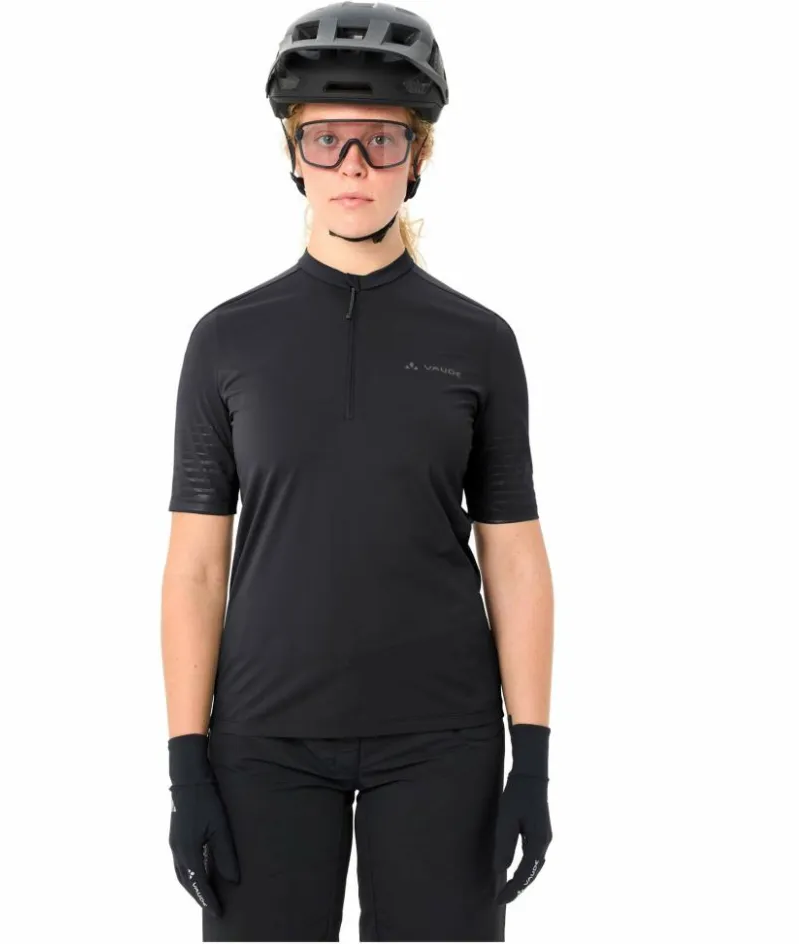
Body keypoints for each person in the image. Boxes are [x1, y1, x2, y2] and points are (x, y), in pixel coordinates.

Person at [160, 3, 555, 940]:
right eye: (325, 138)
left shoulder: (479, 341)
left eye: (380, 141)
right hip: (262, 741)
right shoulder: (226, 341)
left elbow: (514, 558)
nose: (352, 166)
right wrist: (185, 767)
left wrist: (533, 758)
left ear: (417, 156)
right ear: (293, 154)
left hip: (442, 742)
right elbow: (196, 568)